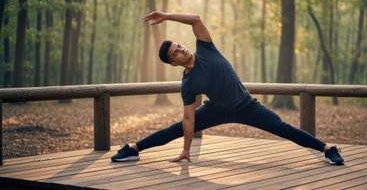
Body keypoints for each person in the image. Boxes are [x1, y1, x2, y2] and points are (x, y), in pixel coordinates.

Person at [111, 11, 344, 165]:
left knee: (283, 128)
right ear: (174, 63)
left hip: (247, 106)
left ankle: (327, 149)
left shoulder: (206, 49)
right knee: (175, 129)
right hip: (217, 110)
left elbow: (195, 19)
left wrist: (166, 16)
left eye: (179, 46)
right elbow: (189, 120)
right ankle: (133, 149)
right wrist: (186, 149)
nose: (181, 49)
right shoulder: (188, 84)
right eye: (176, 53)